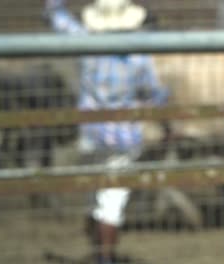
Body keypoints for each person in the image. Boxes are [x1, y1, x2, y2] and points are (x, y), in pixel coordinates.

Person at [44, 0, 169, 263]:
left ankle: (97, 250)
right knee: (112, 202)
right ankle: (106, 257)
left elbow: (60, 20)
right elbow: (156, 94)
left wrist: (55, 5)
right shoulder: (138, 57)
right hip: (123, 138)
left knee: (95, 195)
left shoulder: (87, 44)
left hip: (90, 133)